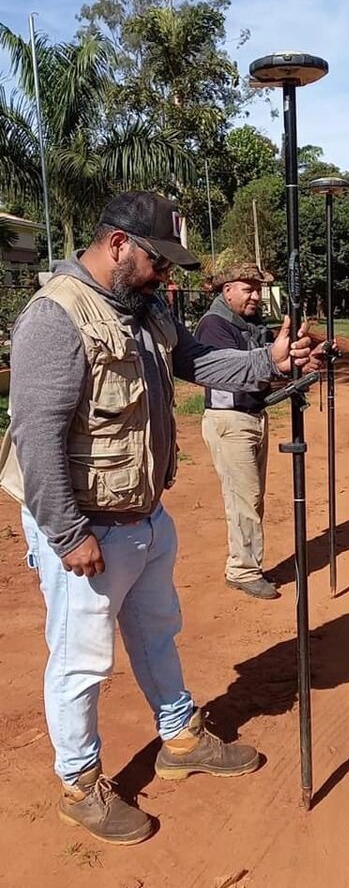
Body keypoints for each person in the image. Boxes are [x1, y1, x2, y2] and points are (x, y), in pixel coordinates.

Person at [1, 192, 317, 846]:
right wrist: (66, 533)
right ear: (118, 244)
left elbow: (197, 362)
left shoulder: (143, 310)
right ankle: (80, 784)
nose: (166, 276)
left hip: (141, 516)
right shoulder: (55, 317)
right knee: (82, 661)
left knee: (156, 633)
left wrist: (268, 362)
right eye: (157, 262)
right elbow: (36, 436)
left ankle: (179, 736)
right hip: (85, 531)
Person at [195, 263, 277, 600]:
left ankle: (247, 563)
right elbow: (238, 371)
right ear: (227, 290)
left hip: (254, 415)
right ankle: (242, 570)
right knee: (243, 499)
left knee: (253, 498)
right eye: (248, 288)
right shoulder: (214, 325)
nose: (256, 295)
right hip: (230, 419)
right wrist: (273, 363)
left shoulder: (252, 323)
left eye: (258, 289)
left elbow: (274, 359)